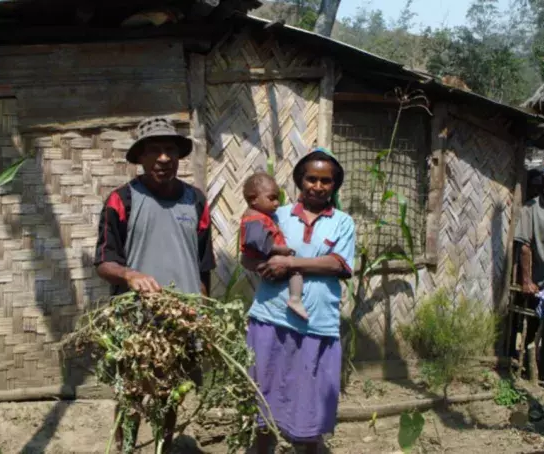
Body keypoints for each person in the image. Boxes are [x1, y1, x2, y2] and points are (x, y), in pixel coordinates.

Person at [93, 116, 215, 453]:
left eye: (170, 150)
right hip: (136, 320)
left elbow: (204, 265)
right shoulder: (122, 200)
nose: (163, 158)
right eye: (155, 150)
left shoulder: (196, 200)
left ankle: (164, 444)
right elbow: (104, 262)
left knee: (170, 393)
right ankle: (127, 447)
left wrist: (203, 314)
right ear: (140, 158)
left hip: (182, 318)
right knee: (131, 391)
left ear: (179, 156)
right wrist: (130, 275)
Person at [241, 147, 356, 454]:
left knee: (310, 418)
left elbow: (338, 264)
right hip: (271, 320)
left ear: (335, 185)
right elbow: (248, 258)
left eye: (326, 181)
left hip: (317, 327)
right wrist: (265, 266)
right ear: (299, 180)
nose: (317, 186)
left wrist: (290, 264)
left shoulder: (343, 222)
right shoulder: (275, 214)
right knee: (263, 410)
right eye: (311, 178)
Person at [514, 161, 544, 382]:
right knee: (532, 327)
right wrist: (526, 279)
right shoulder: (532, 209)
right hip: (539, 284)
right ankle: (523, 365)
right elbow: (524, 245)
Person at [240, 172, 308, 320]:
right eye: (271, 198)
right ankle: (295, 299)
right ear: (253, 199)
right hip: (265, 259)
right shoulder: (255, 218)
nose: (277, 203)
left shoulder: (261, 216)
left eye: (277, 198)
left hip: (265, 260)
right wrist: (279, 249)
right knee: (295, 271)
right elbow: (256, 242)